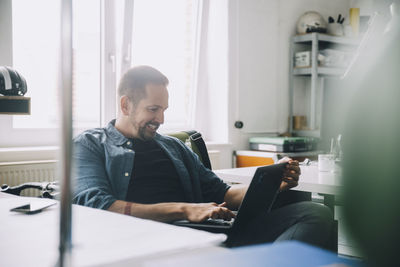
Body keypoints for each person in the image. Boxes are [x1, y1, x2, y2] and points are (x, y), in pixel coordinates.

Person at [73, 65, 334, 249]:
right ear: (125, 104)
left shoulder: (173, 147)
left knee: (314, 212)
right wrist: (185, 209)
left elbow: (222, 193)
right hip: (150, 239)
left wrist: (272, 185)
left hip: (204, 231)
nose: (161, 119)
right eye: (153, 109)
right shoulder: (90, 144)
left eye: (164, 110)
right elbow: (98, 207)